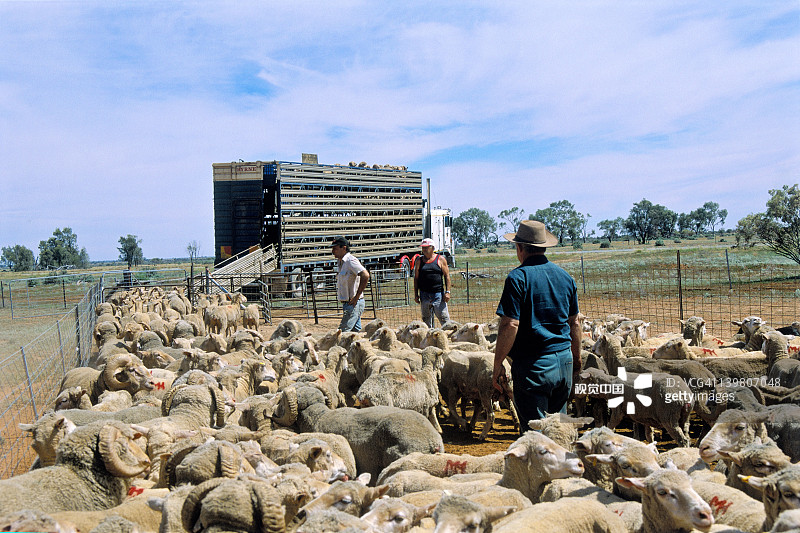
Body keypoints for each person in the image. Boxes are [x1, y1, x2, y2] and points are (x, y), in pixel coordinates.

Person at [492, 220, 582, 432]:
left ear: (519, 247)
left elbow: (511, 324)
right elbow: (575, 322)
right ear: (543, 247)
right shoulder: (565, 277)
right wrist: (576, 361)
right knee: (558, 430)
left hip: (534, 368)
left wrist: (497, 365)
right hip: (562, 363)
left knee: (536, 436)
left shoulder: (517, 278)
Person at [331, 235, 370, 332]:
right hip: (349, 303)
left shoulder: (350, 260)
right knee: (355, 332)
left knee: (343, 332)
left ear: (343, 248)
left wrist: (357, 296)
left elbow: (365, 275)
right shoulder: (341, 262)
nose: (332, 251)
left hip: (353, 303)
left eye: (335, 248)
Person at [413, 238, 451, 327]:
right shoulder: (419, 261)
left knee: (444, 319)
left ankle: (448, 338)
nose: (424, 250)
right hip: (424, 294)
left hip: (438, 295)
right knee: (426, 321)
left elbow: (447, 276)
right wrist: (416, 294)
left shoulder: (440, 259)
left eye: (426, 247)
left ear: (432, 248)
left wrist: (447, 292)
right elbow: (416, 278)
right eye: (423, 248)